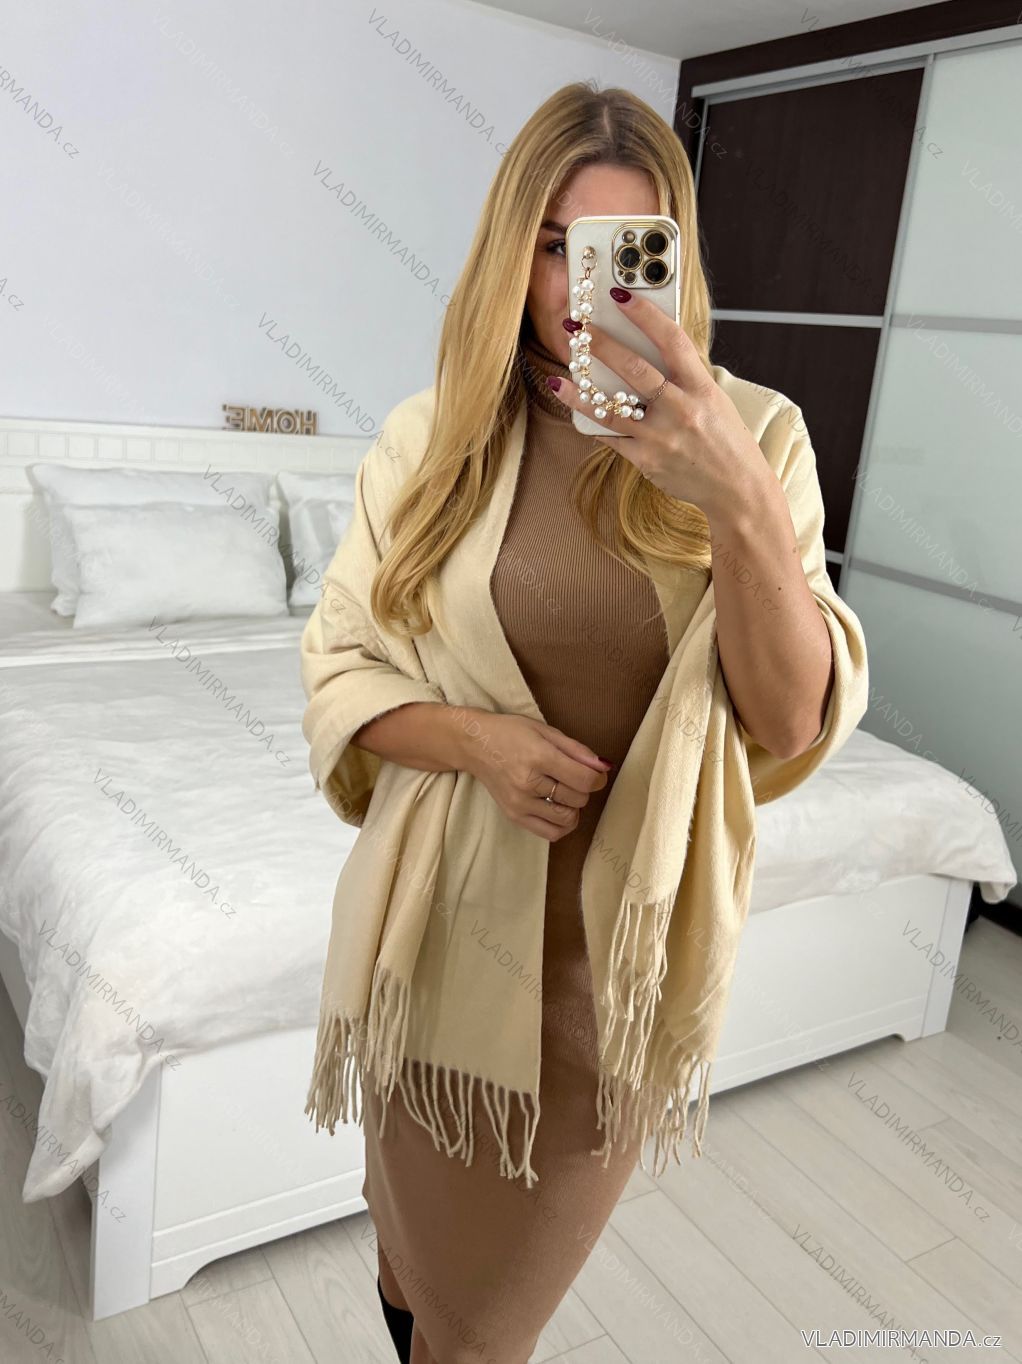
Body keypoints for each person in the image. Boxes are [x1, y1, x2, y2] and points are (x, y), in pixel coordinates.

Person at [302, 80, 861, 1364]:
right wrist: (478, 744)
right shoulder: (430, 437)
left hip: (597, 981)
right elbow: (337, 665)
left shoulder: (757, 435)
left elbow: (788, 717)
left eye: (621, 249)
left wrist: (733, 496)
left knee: (482, 1332)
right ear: (509, 249)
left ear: (671, 259)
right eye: (552, 244)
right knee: (405, 1255)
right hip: (425, 939)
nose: (576, 288)